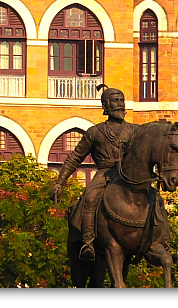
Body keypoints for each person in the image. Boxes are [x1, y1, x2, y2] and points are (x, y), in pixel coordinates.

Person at [50, 86, 137, 261]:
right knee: (89, 198)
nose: (120, 105)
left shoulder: (136, 130)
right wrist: (60, 182)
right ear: (105, 105)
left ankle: (159, 240)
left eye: (122, 101)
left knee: (154, 198)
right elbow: (75, 158)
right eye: (115, 101)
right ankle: (88, 242)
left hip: (129, 175)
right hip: (105, 173)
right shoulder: (95, 132)